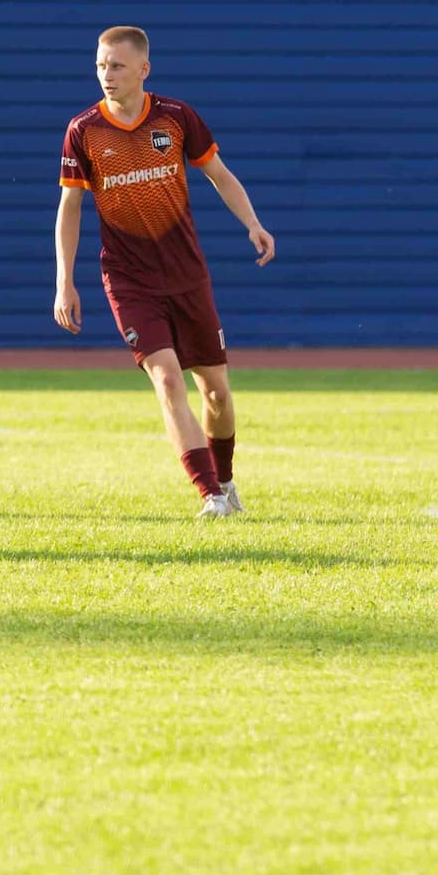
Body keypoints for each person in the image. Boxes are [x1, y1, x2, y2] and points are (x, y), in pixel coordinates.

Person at [53, 26, 276, 517]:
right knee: (168, 379)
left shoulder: (175, 118)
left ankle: (228, 482)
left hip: (187, 274)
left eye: (116, 66)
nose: (105, 75)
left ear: (143, 70)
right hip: (129, 279)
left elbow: (219, 174)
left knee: (215, 389)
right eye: (99, 65)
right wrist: (64, 281)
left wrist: (253, 224)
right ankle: (211, 496)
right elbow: (70, 206)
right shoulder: (84, 130)